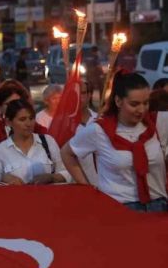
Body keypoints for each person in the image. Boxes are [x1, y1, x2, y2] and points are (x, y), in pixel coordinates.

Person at [61, 72, 168, 212]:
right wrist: (86, 187)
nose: (141, 110)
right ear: (118, 101)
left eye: (145, 103)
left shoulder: (158, 123)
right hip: (119, 209)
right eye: (134, 104)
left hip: (158, 207)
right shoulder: (99, 130)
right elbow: (67, 153)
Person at [0, 99, 70, 185]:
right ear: (9, 122)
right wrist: (5, 179)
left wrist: (51, 177)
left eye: (31, 118)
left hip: (49, 196)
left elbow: (66, 172)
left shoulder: (48, 142)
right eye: (22, 119)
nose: (28, 123)